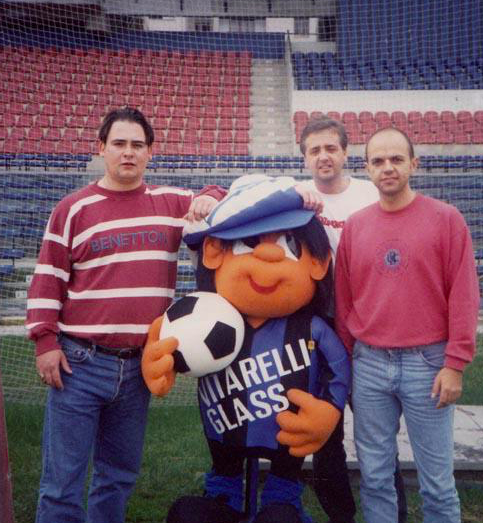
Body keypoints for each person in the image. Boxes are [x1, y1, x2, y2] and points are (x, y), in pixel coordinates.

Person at [25, 107, 226, 523]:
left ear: (151, 152)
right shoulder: (73, 208)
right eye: (119, 144)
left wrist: (210, 194)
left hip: (137, 367)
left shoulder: (170, 204)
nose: (128, 153)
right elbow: (47, 281)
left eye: (138, 145)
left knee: (116, 478)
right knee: (62, 484)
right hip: (78, 363)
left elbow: (221, 197)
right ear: (101, 149)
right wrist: (45, 342)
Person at [143, 175, 350, 523]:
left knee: (279, 517)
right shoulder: (204, 318)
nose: (268, 253)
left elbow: (338, 368)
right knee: (188, 515)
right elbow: (171, 346)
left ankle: (283, 497)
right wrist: (157, 363)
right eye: (249, 243)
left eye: (288, 245)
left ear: (317, 262)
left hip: (287, 455)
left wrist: (329, 411)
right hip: (224, 445)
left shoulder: (311, 328)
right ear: (214, 253)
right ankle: (224, 495)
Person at [335, 127, 479, 523]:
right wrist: (347, 364)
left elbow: (464, 296)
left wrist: (455, 363)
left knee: (436, 482)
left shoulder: (446, 220)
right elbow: (346, 301)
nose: (387, 168)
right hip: (369, 364)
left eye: (396, 159)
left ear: (414, 164)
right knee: (376, 476)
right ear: (366, 167)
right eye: (378, 161)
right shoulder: (356, 226)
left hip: (428, 364)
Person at [296, 116, 410, 523]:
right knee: (325, 437)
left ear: (346, 153)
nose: (324, 156)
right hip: (316, 326)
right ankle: (341, 516)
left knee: (377, 438)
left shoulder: (369, 194)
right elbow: (241, 195)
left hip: (365, 328)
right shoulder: (297, 195)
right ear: (305, 158)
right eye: (314, 150)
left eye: (331, 148)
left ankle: (393, 515)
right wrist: (207, 192)